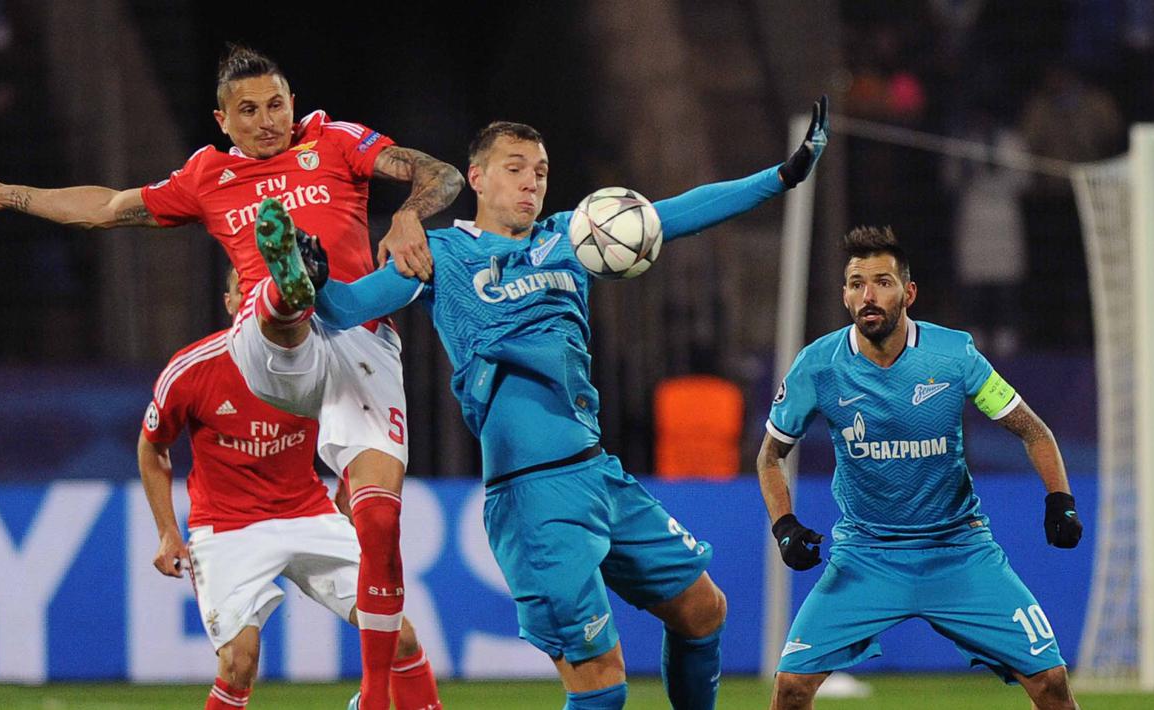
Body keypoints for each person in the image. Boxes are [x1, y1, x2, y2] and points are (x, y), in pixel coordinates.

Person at [256, 99, 828, 709]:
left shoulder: (572, 238)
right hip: (533, 496)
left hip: (597, 473)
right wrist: (307, 280)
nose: (532, 180)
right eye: (515, 167)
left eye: (542, 170)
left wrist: (782, 176)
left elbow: (676, 214)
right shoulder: (441, 257)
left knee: (703, 611)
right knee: (602, 684)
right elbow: (346, 310)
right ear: (476, 177)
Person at [0, 44, 463, 710]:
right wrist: (8, 195)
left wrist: (404, 214)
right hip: (274, 345)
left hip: (364, 343)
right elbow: (107, 207)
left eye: (275, 104)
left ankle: (378, 699)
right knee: (276, 312)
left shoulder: (335, 141)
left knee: (377, 520)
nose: (266, 120)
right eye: (247, 111)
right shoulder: (207, 176)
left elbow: (439, 174)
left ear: (291, 103)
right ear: (222, 120)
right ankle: (290, 279)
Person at [758, 226, 1083, 710]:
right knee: (790, 689)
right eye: (856, 283)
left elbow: (1034, 430)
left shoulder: (953, 356)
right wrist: (784, 525)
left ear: (908, 292)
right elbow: (769, 456)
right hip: (866, 556)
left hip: (959, 550)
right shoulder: (817, 367)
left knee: (1052, 683)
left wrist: (1060, 500)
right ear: (845, 295)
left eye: (883, 282)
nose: (868, 295)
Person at [139, 269, 441, 710]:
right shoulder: (191, 369)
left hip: (308, 514)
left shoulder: (320, 360)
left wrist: (348, 485)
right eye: (246, 290)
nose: (260, 299)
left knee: (400, 637)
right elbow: (153, 448)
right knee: (239, 662)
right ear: (230, 303)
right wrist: (167, 531)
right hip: (227, 528)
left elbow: (358, 420)